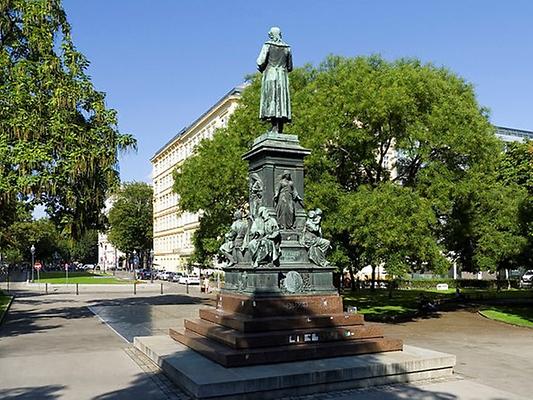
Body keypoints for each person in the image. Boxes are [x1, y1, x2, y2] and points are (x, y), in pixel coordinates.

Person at [256, 27, 293, 133]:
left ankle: (274, 126)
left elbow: (260, 61)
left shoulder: (267, 45)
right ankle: (279, 126)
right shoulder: (287, 48)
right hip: (282, 76)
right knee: (281, 100)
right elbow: (290, 67)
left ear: (271, 35)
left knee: (272, 99)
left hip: (271, 75)